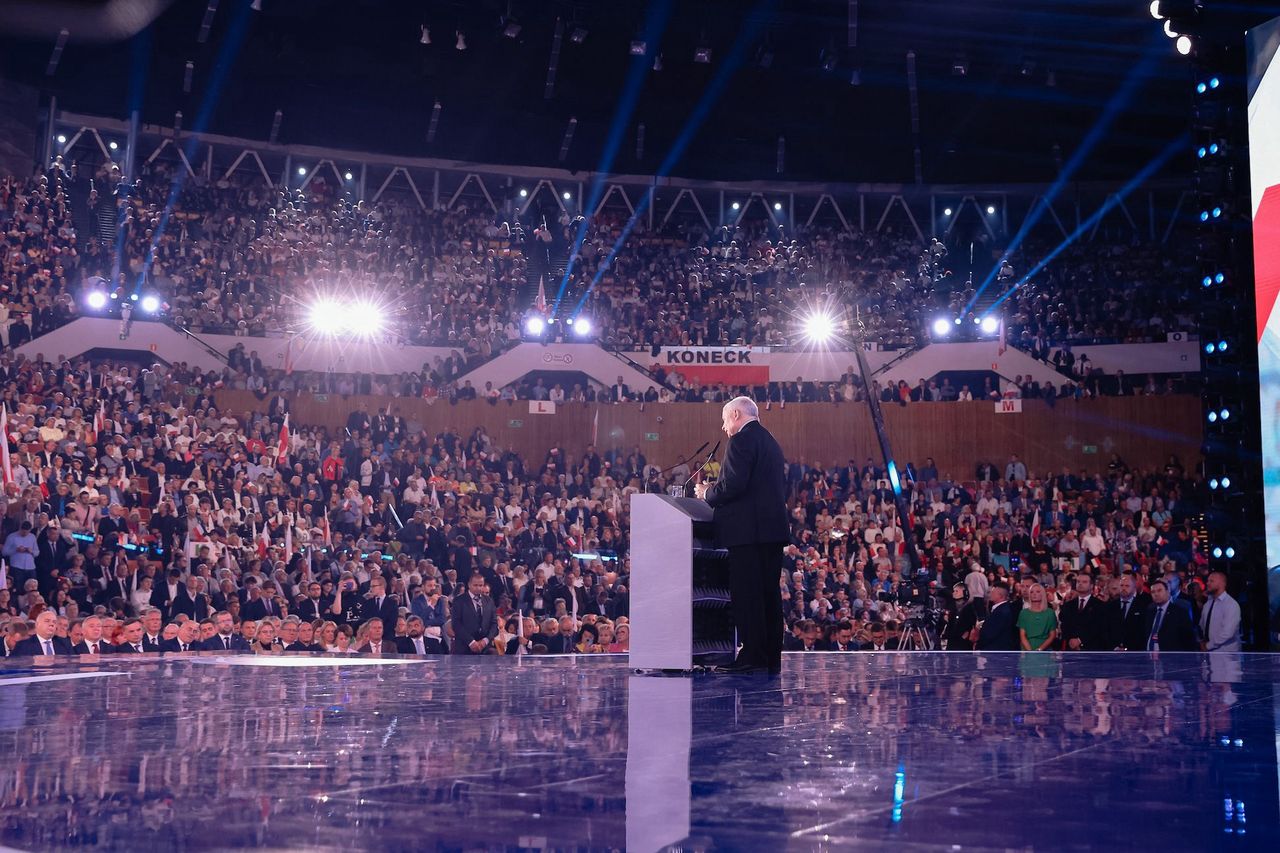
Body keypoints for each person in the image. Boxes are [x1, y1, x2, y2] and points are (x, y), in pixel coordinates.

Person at [696, 396, 789, 675]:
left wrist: (707, 494)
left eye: (725, 420)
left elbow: (734, 485)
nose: (724, 427)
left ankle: (751, 656)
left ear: (736, 414)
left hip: (748, 533)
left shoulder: (741, 440)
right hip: (770, 532)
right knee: (768, 595)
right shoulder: (769, 441)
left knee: (748, 595)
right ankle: (769, 656)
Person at [1141, 580, 1198, 652]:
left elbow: (1189, 640)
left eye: (1159, 591)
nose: (1156, 594)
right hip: (1149, 657)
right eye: (1153, 592)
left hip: (1171, 658)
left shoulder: (1180, 612)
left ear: (1167, 592)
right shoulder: (1150, 611)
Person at [452, 572, 498, 655]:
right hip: (465, 646)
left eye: (481, 585)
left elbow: (494, 624)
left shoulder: (489, 601)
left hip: (485, 647)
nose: (478, 588)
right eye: (475, 585)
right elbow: (456, 624)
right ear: (469, 585)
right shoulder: (459, 601)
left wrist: (485, 640)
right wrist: (471, 642)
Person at [1059, 572, 1107, 650]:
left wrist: (1080, 640)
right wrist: (1071, 640)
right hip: (1071, 649)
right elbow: (1064, 625)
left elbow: (1098, 627)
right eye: (1078, 582)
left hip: (1092, 649)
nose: (1080, 584)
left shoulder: (1100, 605)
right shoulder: (1068, 605)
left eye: (1084, 582)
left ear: (1091, 585)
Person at [1104, 573, 1150, 650]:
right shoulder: (1110, 606)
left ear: (1134, 587)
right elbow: (1105, 630)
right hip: (1113, 653)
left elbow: (1143, 632)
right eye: (1121, 586)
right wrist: (1114, 647)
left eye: (1127, 586)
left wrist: (1128, 649)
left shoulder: (1143, 606)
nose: (1123, 588)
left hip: (1135, 653)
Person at [1199, 570, 1241, 653]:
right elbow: (1202, 626)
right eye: (1208, 581)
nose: (1207, 583)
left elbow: (1227, 633)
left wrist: (1208, 646)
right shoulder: (1208, 604)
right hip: (1209, 654)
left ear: (1222, 583)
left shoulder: (1231, 604)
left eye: (1211, 581)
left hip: (1226, 655)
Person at [1017, 582, 1058, 651]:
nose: (1034, 594)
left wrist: (1040, 649)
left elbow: (1052, 635)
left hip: (1045, 649)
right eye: (1032, 592)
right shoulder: (1023, 613)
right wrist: (1030, 652)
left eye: (1038, 592)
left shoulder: (1050, 613)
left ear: (1043, 594)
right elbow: (1022, 636)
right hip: (1027, 648)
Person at [976, 586, 1017, 650]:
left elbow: (990, 633)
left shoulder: (1002, 611)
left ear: (1000, 596)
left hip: (997, 650)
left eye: (993, 593)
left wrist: (978, 643)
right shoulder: (1002, 609)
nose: (990, 595)